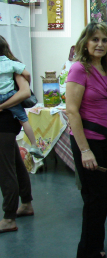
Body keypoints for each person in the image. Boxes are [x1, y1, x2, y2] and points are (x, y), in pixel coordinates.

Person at [66, 22, 107, 258]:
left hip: (105, 139)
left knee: (100, 200)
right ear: (85, 43)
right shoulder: (79, 69)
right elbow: (72, 111)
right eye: (95, 39)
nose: (100, 44)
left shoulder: (104, 69)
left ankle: (96, 247)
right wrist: (85, 150)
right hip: (89, 141)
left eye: (105, 40)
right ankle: (86, 252)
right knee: (93, 200)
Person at [0, 72, 34, 234]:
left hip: (4, 123)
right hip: (7, 122)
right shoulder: (11, 67)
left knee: (5, 170)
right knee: (15, 163)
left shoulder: (11, 68)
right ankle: (26, 203)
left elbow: (25, 92)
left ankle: (9, 218)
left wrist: (2, 105)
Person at [0, 35, 43, 158]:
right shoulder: (11, 64)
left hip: (5, 124)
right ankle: (34, 144)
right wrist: (28, 82)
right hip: (9, 95)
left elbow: (25, 93)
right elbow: (27, 75)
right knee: (24, 119)